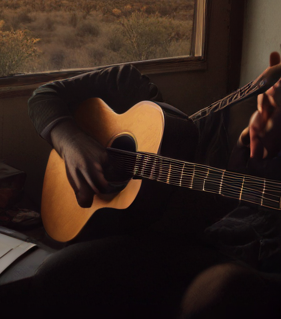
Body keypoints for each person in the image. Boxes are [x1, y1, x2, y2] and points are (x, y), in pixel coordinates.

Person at [27, 53, 281, 318]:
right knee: (53, 274)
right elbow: (42, 97)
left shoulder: (191, 136)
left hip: (188, 234)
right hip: (164, 231)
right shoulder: (125, 81)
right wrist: (71, 142)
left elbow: (227, 198)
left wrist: (242, 151)